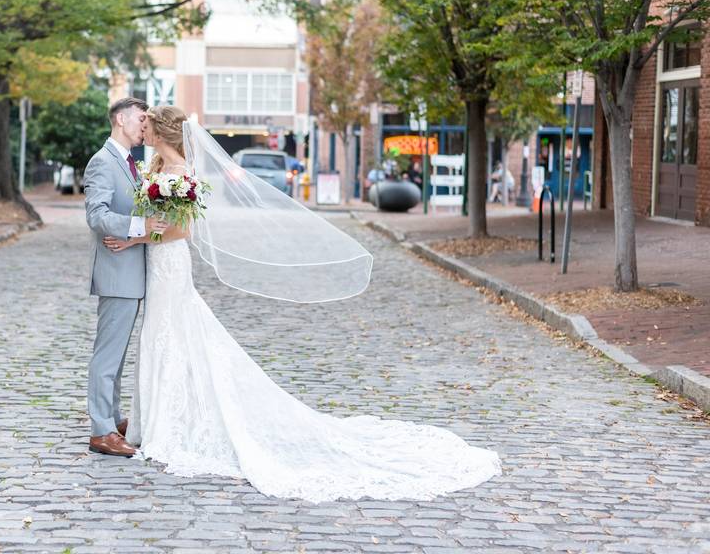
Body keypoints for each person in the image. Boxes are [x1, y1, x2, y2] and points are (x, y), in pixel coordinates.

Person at [100, 106, 501, 503]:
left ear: (164, 131)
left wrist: (136, 239)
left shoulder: (181, 174)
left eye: (149, 124)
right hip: (155, 266)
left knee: (172, 334)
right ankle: (157, 420)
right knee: (163, 337)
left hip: (169, 265)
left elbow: (182, 230)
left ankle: (170, 425)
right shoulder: (153, 167)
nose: (144, 129)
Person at [82, 97, 167, 458]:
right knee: (107, 355)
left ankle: (113, 418)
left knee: (116, 356)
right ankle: (101, 430)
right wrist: (139, 226)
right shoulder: (102, 161)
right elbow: (96, 215)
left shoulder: (131, 163)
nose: (144, 126)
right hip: (117, 272)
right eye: (140, 119)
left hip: (132, 272)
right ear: (120, 119)